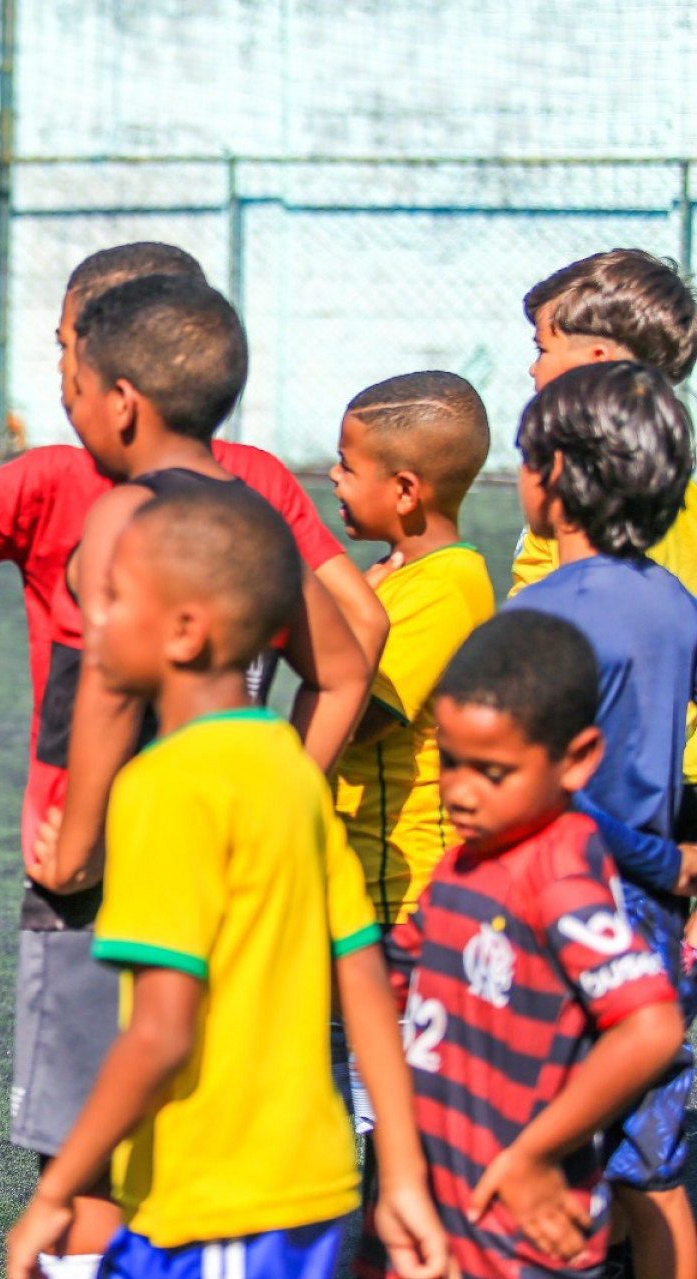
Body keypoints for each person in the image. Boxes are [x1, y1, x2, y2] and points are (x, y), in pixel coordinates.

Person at [0, 247, 384, 1271]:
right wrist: (287, 788)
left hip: (104, 877)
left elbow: (102, 690)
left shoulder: (120, 511)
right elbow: (348, 660)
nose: (62, 390)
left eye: (72, 372)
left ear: (121, 400)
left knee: (79, 1160)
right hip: (242, 869)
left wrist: (76, 845)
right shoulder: (255, 502)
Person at [3, 484, 443, 1279]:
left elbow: (161, 1031)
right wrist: (403, 1172)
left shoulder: (161, 787)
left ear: (184, 630)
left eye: (114, 598)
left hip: (222, 1205)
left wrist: (57, 1189)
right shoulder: (288, 766)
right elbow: (364, 977)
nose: (91, 618)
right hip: (297, 1186)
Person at [363, 611, 688, 1279]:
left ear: (577, 761)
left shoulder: (559, 877)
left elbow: (650, 1026)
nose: (460, 791)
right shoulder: (463, 865)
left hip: (520, 1236)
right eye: (450, 761)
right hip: (436, 1205)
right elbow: (388, 978)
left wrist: (535, 1152)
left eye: (493, 771)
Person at [500, 361, 697, 1279]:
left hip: (564, 919)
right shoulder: (675, 603)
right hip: (652, 929)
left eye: (527, 455)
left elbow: (544, 792)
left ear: (562, 473)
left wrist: (661, 855)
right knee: (653, 1169)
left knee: (538, 1145)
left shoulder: (542, 612)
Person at [327, 371, 495, 927]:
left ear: (404, 490)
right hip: (363, 874)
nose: (334, 477)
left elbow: (360, 716)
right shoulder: (401, 576)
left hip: (400, 892)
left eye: (348, 466)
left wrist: (343, 612)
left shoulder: (444, 585)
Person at [508, 250, 697, 596]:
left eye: (543, 350)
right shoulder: (687, 503)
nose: (533, 369)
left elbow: (534, 631)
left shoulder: (566, 495)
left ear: (596, 365)